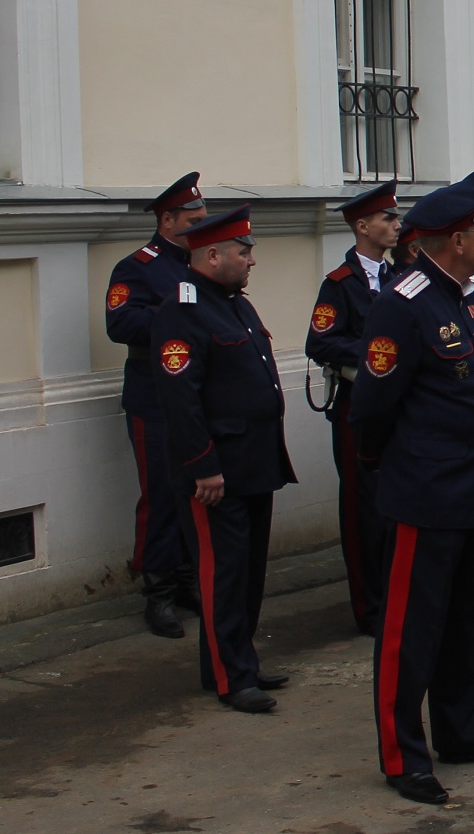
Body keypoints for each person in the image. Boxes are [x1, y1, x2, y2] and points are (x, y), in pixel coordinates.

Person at [348, 173, 474, 807]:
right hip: (427, 494)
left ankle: (467, 732)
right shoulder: (404, 304)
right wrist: (401, 472)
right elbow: (371, 410)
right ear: (456, 239)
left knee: (468, 623)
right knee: (411, 630)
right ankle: (404, 755)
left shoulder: (473, 295)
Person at [150, 205, 297, 708]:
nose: (252, 260)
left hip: (254, 464)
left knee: (249, 572)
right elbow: (180, 399)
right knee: (222, 575)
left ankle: (240, 662)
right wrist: (203, 466)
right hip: (218, 472)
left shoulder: (234, 303)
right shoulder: (182, 311)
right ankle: (231, 676)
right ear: (212, 255)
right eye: (243, 251)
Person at [104, 172, 209, 639]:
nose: (201, 227)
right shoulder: (138, 267)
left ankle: (188, 579)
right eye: (194, 220)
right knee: (162, 494)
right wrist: (176, 315)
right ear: (168, 220)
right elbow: (120, 322)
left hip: (197, 394)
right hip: (155, 398)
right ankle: (158, 591)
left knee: (196, 489)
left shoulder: (201, 262)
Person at [305, 181, 401, 634]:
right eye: (388, 219)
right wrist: (374, 354)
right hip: (357, 403)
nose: (397, 226)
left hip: (398, 405)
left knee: (394, 503)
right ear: (363, 227)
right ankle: (370, 607)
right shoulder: (339, 285)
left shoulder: (398, 277)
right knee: (363, 507)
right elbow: (320, 340)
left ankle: (397, 595)